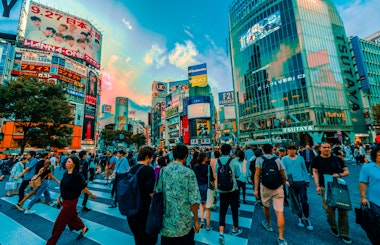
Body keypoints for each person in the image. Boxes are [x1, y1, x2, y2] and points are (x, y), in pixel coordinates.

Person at [46, 156, 96, 245]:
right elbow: (63, 186)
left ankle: (51, 243)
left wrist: (91, 194)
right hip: (65, 201)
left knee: (59, 224)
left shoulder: (76, 175)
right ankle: (83, 227)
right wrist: (59, 198)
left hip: (71, 201)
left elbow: (83, 187)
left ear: (74, 164)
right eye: (67, 161)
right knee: (73, 217)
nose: (66, 163)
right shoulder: (66, 173)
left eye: (69, 162)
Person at [157, 144, 200, 244]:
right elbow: (193, 201)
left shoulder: (163, 171)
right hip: (184, 224)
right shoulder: (189, 173)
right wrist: (196, 221)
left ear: (172, 155)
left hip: (166, 224)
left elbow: (158, 194)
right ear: (186, 156)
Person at [312, 142, 351, 244]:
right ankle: (333, 226)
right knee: (329, 210)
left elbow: (347, 171)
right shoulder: (316, 160)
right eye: (324, 147)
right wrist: (317, 186)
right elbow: (315, 172)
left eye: (329, 147)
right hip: (325, 187)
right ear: (320, 149)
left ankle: (344, 233)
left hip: (339, 188)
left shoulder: (337, 159)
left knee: (343, 210)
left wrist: (339, 174)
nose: (327, 149)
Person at [254, 144, 287, 245]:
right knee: (279, 212)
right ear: (272, 150)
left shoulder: (259, 160)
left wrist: (256, 190)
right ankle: (281, 238)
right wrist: (283, 185)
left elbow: (257, 175)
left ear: (263, 150)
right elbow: (283, 175)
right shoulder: (277, 160)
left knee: (266, 206)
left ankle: (269, 224)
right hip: (278, 187)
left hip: (265, 187)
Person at [126, 146, 157, 245]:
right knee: (147, 238)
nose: (152, 159)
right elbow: (151, 192)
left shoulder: (132, 169)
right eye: (152, 157)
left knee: (138, 237)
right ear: (148, 156)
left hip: (131, 208)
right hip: (143, 209)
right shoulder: (148, 170)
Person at [216, 144, 242, 245]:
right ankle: (235, 228)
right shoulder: (234, 161)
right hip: (233, 189)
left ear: (221, 151)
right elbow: (238, 174)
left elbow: (216, 175)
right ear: (230, 151)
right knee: (234, 209)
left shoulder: (217, 162)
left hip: (221, 190)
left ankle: (221, 233)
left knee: (222, 211)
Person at [282, 145, 313, 230]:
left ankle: (306, 218)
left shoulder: (300, 158)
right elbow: (283, 170)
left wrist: (307, 180)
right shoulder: (284, 159)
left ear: (296, 150)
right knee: (296, 201)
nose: (292, 151)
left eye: (293, 149)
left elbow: (304, 169)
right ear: (287, 150)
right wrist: (286, 181)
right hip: (291, 183)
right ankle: (300, 218)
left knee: (304, 201)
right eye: (290, 149)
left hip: (301, 181)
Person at [359, 144, 380, 244]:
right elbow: (363, 183)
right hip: (376, 201)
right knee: (377, 224)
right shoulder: (367, 167)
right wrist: (363, 197)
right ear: (374, 155)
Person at [193, 152, 215, 231]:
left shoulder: (195, 166)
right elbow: (212, 179)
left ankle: (202, 220)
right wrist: (214, 188)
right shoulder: (208, 167)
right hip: (207, 187)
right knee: (208, 207)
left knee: (201, 204)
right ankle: (208, 225)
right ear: (205, 158)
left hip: (198, 187)